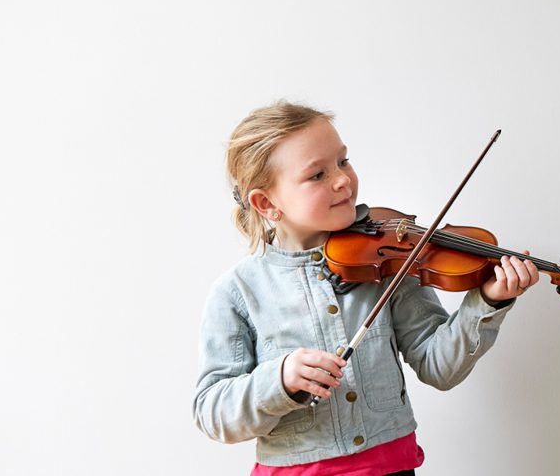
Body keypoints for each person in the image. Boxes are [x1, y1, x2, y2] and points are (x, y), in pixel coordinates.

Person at [194, 101, 538, 475]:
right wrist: (280, 380)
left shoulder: (388, 260)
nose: (342, 180)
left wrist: (486, 302)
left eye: (343, 161)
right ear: (267, 203)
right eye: (317, 174)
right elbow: (213, 412)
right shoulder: (237, 293)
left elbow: (439, 367)